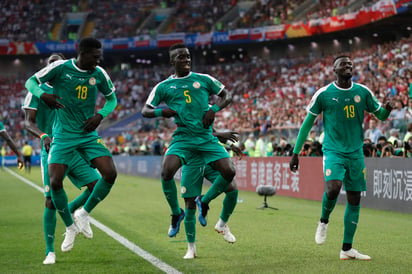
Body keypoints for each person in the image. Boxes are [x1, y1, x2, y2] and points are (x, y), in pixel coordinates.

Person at [289, 55, 393, 260]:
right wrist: (295, 152)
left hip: (355, 152)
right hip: (333, 150)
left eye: (350, 64)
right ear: (334, 69)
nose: (348, 66)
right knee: (334, 187)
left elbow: (380, 115)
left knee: (354, 199)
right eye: (343, 64)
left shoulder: (362, 92)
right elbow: (307, 125)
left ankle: (346, 249)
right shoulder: (324, 94)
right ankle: (323, 221)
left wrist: (387, 109)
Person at [25, 37, 118, 255]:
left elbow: (112, 100)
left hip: (87, 135)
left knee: (109, 173)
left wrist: (100, 115)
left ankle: (84, 213)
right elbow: (30, 83)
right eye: (94, 57)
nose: (98, 60)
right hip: (63, 137)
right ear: (82, 53)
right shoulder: (60, 70)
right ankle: (68, 228)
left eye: (99, 56)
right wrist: (43, 95)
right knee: (55, 183)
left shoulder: (99, 74)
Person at [142, 43, 236, 238]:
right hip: (184, 140)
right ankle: (176, 214)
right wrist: (163, 111)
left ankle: (208, 204)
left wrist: (213, 110)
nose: (186, 60)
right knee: (166, 172)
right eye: (181, 57)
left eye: (187, 56)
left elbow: (227, 95)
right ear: (172, 61)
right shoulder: (163, 87)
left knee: (229, 173)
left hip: (206, 141)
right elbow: (146, 110)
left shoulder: (203, 80)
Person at [181, 130, 240, 259]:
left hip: (208, 159)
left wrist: (230, 144)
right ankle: (191, 248)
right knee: (189, 206)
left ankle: (222, 224)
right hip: (191, 161)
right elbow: (192, 135)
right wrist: (220, 135)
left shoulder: (206, 111)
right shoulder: (184, 111)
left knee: (232, 189)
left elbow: (211, 132)